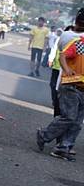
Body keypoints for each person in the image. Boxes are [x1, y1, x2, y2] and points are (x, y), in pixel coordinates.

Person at [37, 10, 84, 161]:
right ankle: (44, 135)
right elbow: (64, 55)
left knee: (77, 122)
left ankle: (63, 147)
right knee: (69, 117)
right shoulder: (77, 41)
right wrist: (67, 69)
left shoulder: (71, 36)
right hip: (71, 85)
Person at [49, 27, 66, 117]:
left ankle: (58, 104)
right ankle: (55, 101)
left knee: (60, 88)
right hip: (56, 67)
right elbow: (54, 49)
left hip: (64, 69)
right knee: (53, 85)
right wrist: (50, 59)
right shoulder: (59, 39)